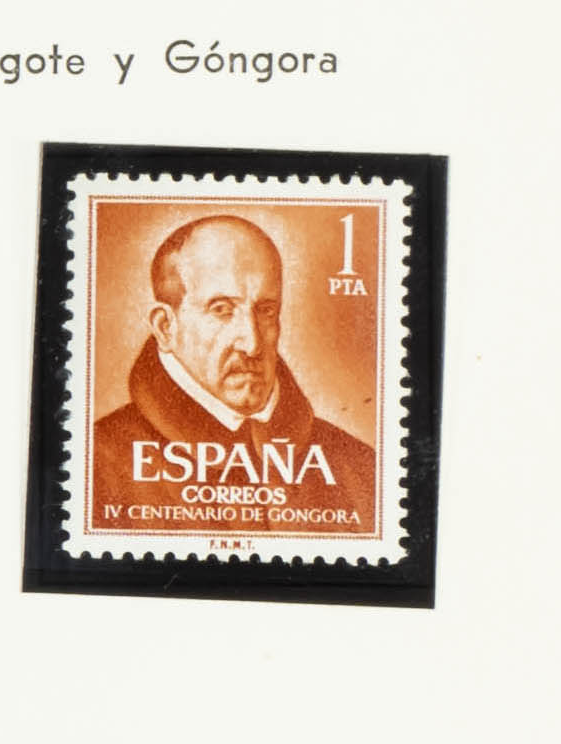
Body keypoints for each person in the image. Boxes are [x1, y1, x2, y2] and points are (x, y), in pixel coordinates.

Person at [86, 210, 378, 529]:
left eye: (266, 310)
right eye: (222, 310)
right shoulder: (94, 467)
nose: (252, 344)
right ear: (166, 327)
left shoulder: (361, 471)